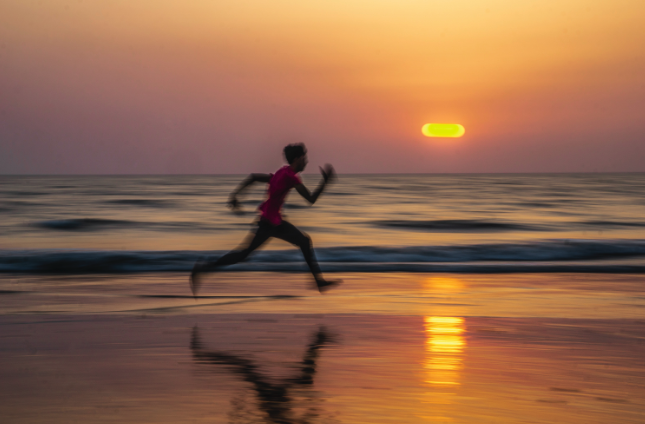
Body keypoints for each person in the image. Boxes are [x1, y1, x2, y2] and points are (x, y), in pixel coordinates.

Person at [190, 143, 341, 296]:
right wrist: (325, 182)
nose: (307, 161)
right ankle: (203, 268)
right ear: (297, 159)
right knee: (244, 254)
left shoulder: (282, 172)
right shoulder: (290, 177)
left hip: (273, 221)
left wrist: (236, 195)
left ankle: (319, 282)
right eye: (304, 158)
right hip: (269, 223)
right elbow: (311, 199)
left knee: (302, 241)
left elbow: (254, 177)